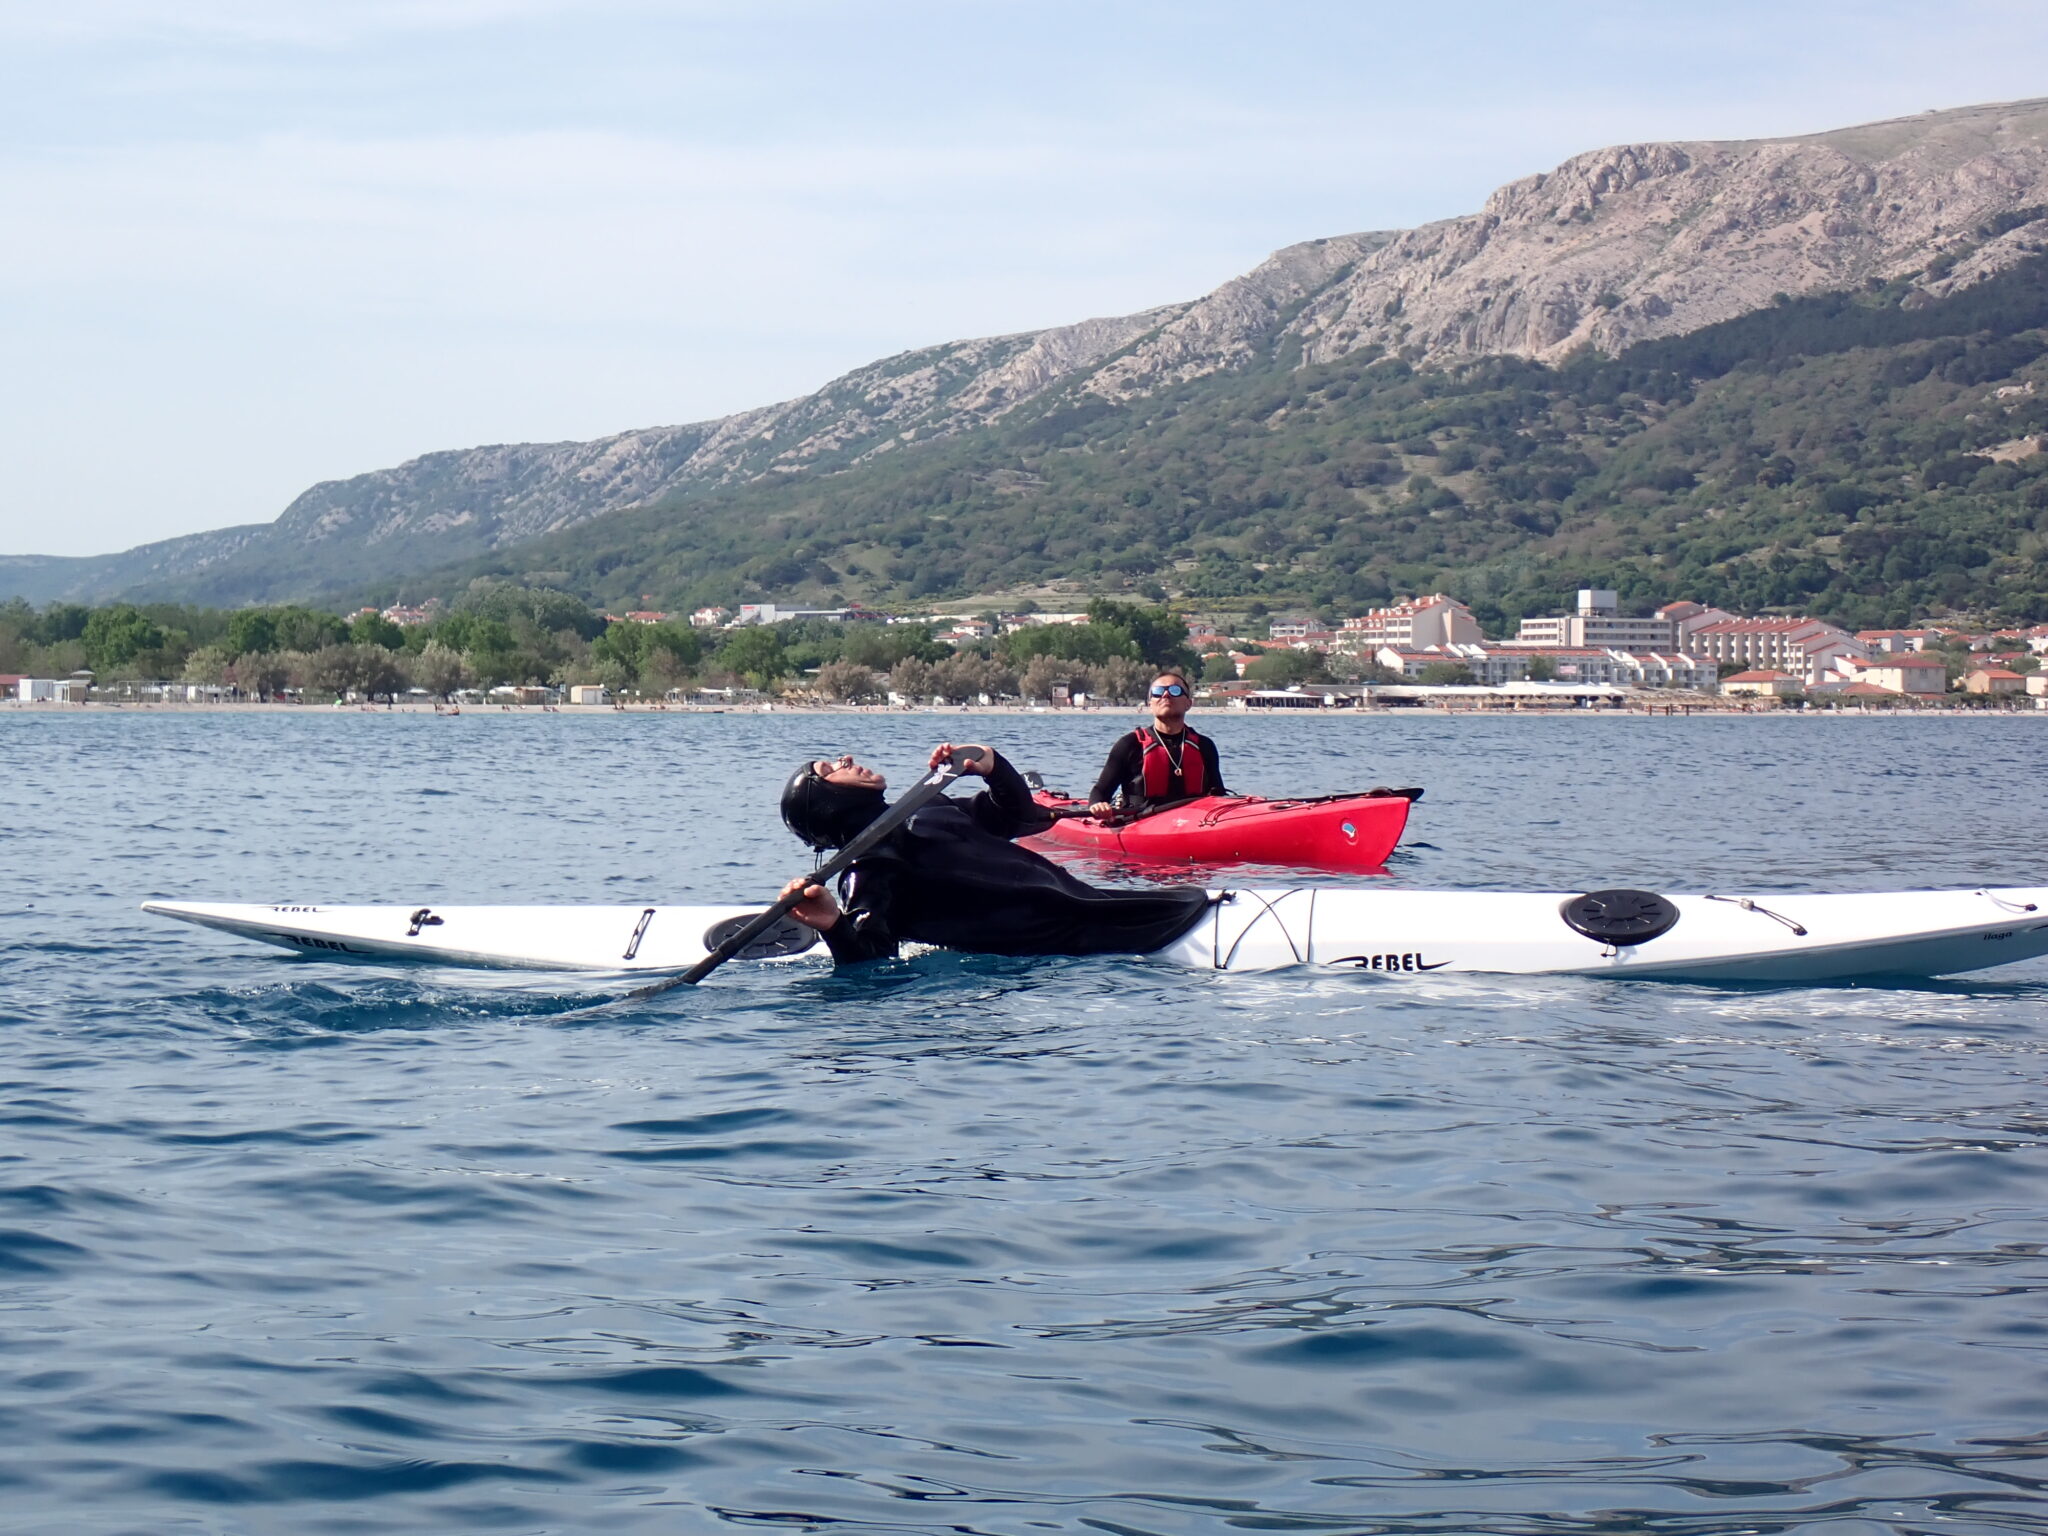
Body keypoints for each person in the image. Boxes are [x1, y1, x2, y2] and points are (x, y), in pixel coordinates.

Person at [778, 743, 1212, 965]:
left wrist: (992, 765)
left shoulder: (928, 804)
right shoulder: (870, 868)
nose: (845, 758)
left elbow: (1019, 818)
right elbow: (873, 959)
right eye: (829, 768)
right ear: (828, 800)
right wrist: (834, 924)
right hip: (1063, 947)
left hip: (1097, 908)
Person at [1087, 670, 1225, 821]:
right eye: (1158, 692)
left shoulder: (1204, 746)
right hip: (1139, 824)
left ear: (1188, 703)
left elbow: (1218, 796)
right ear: (1150, 704)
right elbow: (1099, 792)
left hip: (1191, 823)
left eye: (1174, 690)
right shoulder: (1129, 745)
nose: (1166, 695)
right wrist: (1098, 806)